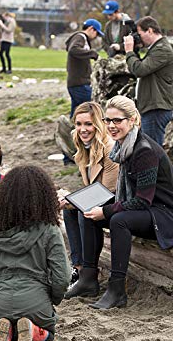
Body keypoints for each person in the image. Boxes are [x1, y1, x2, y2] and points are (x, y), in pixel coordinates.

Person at [67, 96, 173, 309]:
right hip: (145, 208)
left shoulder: (144, 150)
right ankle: (88, 277)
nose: (112, 126)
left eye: (118, 121)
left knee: (119, 221)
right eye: (108, 120)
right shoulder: (122, 145)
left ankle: (117, 290)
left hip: (162, 214)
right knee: (86, 210)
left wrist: (105, 211)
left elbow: (142, 201)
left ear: (132, 120)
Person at [0, 165, 71, 341]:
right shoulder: (49, 230)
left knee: (7, 320)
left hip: (2, 303)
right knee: (49, 331)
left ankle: (4, 331)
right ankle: (33, 330)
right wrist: (52, 298)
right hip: (37, 302)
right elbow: (63, 277)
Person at [61, 102, 119, 288]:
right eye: (79, 124)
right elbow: (91, 189)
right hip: (101, 199)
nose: (83, 129)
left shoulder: (109, 149)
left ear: (98, 124)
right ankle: (78, 267)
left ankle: (89, 272)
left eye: (88, 124)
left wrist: (72, 200)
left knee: (82, 211)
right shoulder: (84, 148)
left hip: (117, 203)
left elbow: (109, 191)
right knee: (69, 210)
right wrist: (69, 200)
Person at [124, 16, 173, 146]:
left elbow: (140, 69)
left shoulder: (162, 49)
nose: (138, 38)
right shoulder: (156, 48)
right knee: (149, 151)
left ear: (150, 30)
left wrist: (129, 51)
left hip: (156, 108)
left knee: (153, 152)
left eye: (139, 34)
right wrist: (136, 49)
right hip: (151, 106)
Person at [66, 19, 103, 118]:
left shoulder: (81, 38)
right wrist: (92, 53)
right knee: (92, 110)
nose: (96, 37)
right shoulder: (80, 37)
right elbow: (73, 50)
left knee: (77, 113)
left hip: (76, 83)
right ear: (91, 29)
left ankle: (70, 131)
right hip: (80, 83)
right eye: (97, 33)